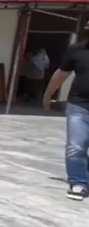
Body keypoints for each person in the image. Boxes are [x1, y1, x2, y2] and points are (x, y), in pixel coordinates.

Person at [43, 19, 89, 200]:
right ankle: (78, 182)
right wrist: (48, 95)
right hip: (79, 106)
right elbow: (61, 74)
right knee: (76, 146)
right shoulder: (77, 50)